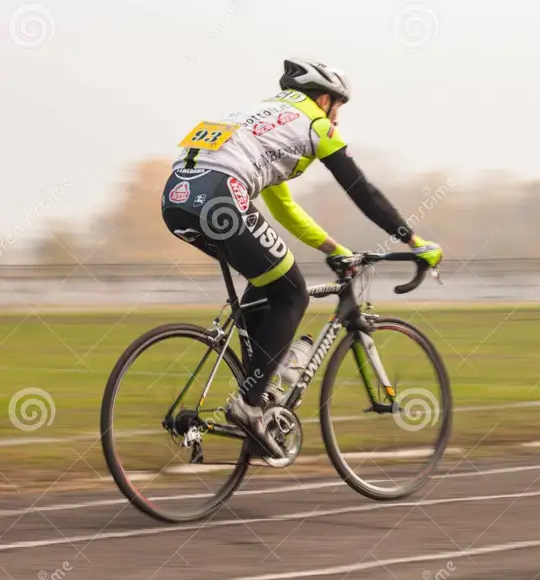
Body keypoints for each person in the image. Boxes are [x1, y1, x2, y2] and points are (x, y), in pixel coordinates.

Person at [161, 58, 442, 460]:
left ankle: (259, 393)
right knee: (292, 294)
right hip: (221, 194)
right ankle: (250, 404)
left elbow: (285, 209)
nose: (338, 121)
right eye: (338, 109)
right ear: (324, 99)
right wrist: (413, 240)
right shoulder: (313, 124)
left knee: (268, 286)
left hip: (177, 200)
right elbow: (361, 190)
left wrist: (334, 249)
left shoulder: (265, 121)